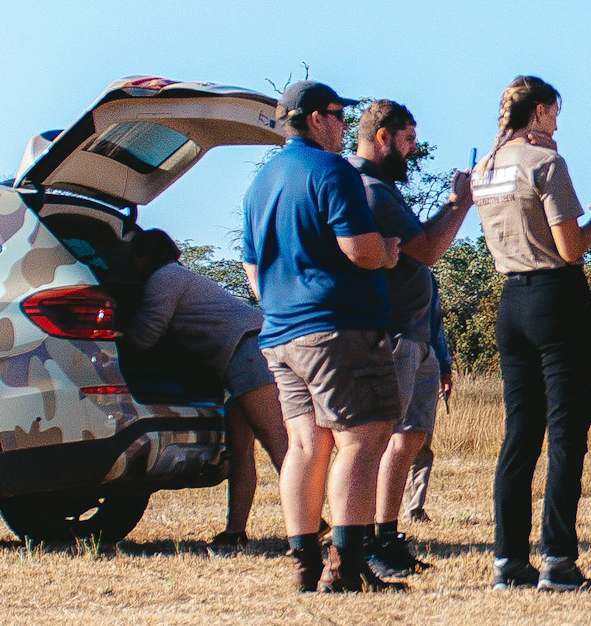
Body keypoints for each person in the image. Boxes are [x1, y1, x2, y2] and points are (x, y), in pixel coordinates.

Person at [243, 81, 463, 593]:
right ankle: (346, 565)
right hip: (338, 328)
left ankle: (304, 565)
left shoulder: (261, 182)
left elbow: (252, 264)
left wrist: (281, 301)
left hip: (280, 333)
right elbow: (361, 250)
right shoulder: (332, 171)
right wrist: (387, 252)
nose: (345, 126)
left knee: (304, 445)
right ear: (317, 118)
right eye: (340, 115)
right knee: (362, 440)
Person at [476, 75, 591, 590]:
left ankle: (508, 560)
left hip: (509, 300)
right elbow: (571, 247)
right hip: (557, 299)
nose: (558, 123)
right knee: (565, 434)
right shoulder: (547, 165)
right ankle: (558, 556)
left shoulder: (484, 171)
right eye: (555, 112)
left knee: (519, 435)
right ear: (537, 111)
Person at [351, 101, 472, 576]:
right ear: (382, 136)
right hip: (391, 330)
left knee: (411, 435)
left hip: (418, 332)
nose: (413, 150)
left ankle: (386, 533)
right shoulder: (371, 191)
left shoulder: (388, 189)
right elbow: (428, 251)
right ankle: (363, 540)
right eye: (408, 140)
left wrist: (439, 352)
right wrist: (460, 201)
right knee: (380, 437)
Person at [114, 228, 289, 549]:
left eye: (133, 257)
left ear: (144, 255)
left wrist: (117, 337)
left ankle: (308, 526)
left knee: (278, 444)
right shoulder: (178, 276)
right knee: (240, 450)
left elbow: (148, 332)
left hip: (248, 353)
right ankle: (235, 532)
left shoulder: (164, 279)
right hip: (249, 351)